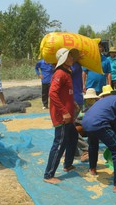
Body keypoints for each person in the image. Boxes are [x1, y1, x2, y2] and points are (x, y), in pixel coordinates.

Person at [43, 48, 80, 184]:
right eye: (69, 57)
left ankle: (67, 164)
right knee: (59, 144)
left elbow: (66, 93)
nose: (71, 59)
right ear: (63, 59)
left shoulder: (67, 73)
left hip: (68, 116)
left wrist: (73, 103)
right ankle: (48, 175)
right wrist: (64, 111)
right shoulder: (60, 73)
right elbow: (52, 93)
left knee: (73, 137)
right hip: (62, 117)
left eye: (71, 56)